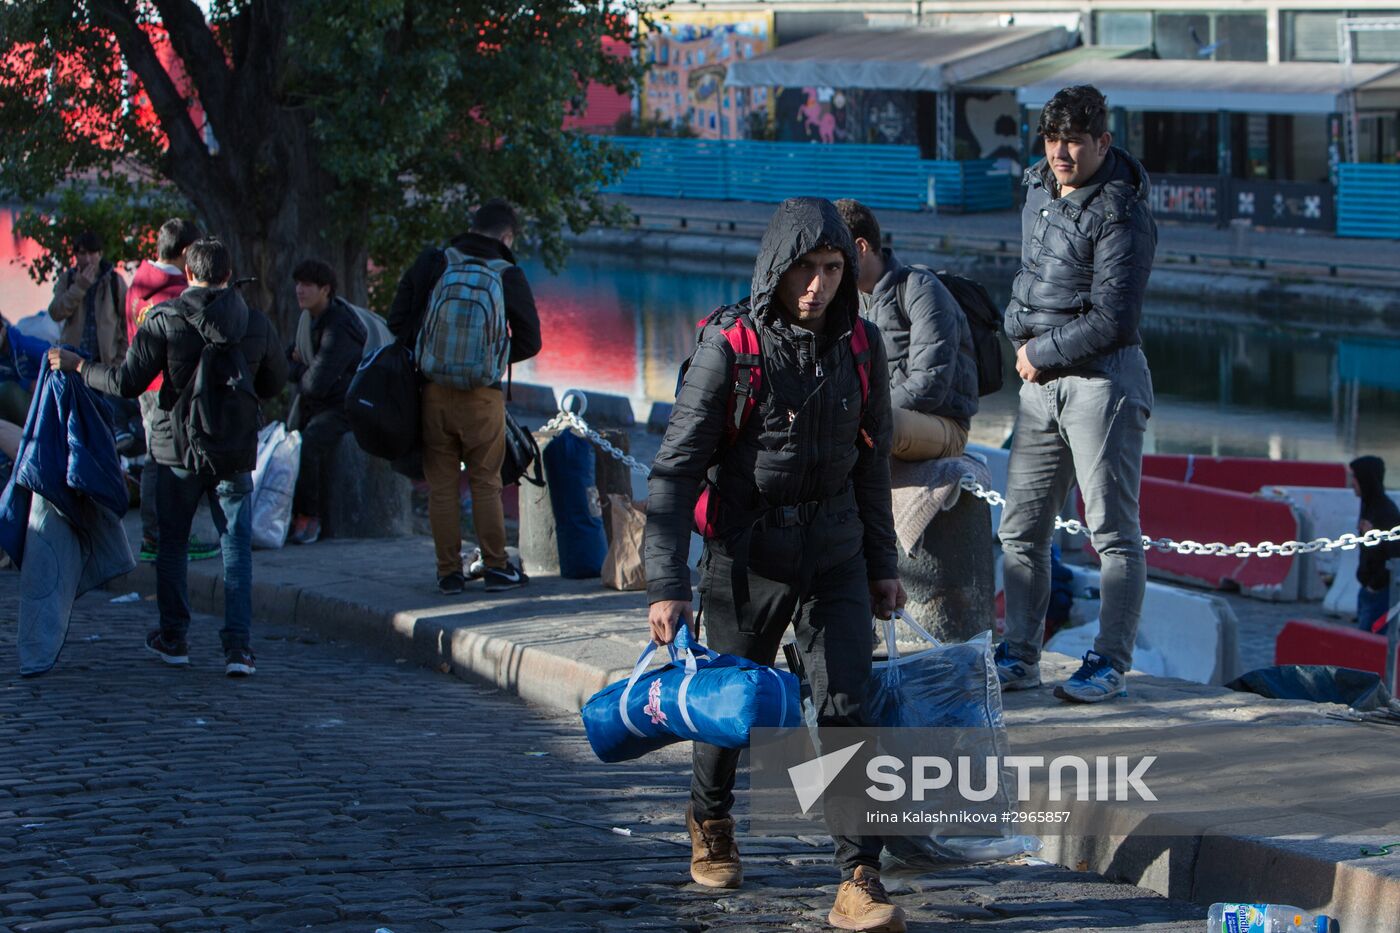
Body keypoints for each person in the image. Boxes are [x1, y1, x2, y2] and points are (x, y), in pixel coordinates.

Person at [645, 197, 907, 932]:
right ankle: (711, 816)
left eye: (831, 269)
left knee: (848, 706)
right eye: (804, 271)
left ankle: (859, 874)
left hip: (835, 550)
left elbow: (872, 464)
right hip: (746, 551)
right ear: (776, 269)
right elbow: (671, 476)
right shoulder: (729, 347)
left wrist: (882, 563)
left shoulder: (863, 346)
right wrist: (666, 583)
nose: (818, 286)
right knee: (730, 713)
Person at [49, 238, 287, 677]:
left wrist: (79, 367)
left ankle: (174, 638)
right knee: (235, 548)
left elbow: (126, 382)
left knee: (172, 544)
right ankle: (238, 649)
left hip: (179, 449)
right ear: (228, 275)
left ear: (189, 275)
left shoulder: (164, 319)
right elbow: (274, 382)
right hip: (234, 449)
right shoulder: (254, 322)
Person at [995, 85, 1157, 704]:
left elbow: (1115, 319)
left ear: (1102, 142)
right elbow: (1033, 272)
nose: (1061, 152)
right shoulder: (1038, 184)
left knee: (1113, 533)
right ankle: (1019, 656)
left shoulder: (1123, 211)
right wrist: (1018, 327)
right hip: (1040, 385)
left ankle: (1109, 663)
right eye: (1052, 138)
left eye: (1075, 141)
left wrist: (1037, 351)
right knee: (1020, 530)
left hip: (1102, 385)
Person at [388, 198, 542, 595]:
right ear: (507, 236)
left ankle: (448, 573)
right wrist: (491, 358)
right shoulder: (508, 273)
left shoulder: (435, 261)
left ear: (472, 225)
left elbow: (397, 321)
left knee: (440, 485)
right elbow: (530, 340)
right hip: (482, 396)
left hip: (433, 392)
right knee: (486, 482)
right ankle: (495, 567)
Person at [834, 198, 978, 461]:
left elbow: (929, 383)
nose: (829, 268)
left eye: (836, 257)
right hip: (881, 413)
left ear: (861, 247)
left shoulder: (921, 289)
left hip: (943, 424)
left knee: (875, 425)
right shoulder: (848, 303)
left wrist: (862, 412)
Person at [126, 218, 217, 563]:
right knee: (168, 458)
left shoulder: (139, 284)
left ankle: (154, 533)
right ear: (184, 252)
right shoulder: (177, 291)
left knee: (154, 455)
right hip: (169, 384)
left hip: (143, 381)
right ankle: (165, 533)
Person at [285, 259, 367, 545]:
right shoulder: (307, 319)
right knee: (287, 443)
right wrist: (301, 368)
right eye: (298, 283)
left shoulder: (340, 325)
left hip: (345, 407)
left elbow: (314, 383)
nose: (299, 290)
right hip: (318, 403)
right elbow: (287, 364)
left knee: (309, 444)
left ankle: (310, 517)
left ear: (325, 290)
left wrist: (300, 366)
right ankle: (289, 513)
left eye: (307, 285)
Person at [48, 231, 128, 366]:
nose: (88, 259)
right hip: (73, 362)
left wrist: (119, 359)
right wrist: (79, 287)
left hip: (104, 363)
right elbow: (55, 313)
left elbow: (129, 321)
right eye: (83, 253)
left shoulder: (114, 281)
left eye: (92, 253)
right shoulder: (68, 279)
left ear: (100, 254)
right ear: (76, 255)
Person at [1350, 456, 1400, 634]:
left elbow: (1394, 555)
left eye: (1355, 477)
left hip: (1379, 593)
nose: (1352, 482)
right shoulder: (1368, 506)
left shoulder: (1386, 512)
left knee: (1370, 644)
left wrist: (1374, 585)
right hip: (1367, 589)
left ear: (1366, 479)